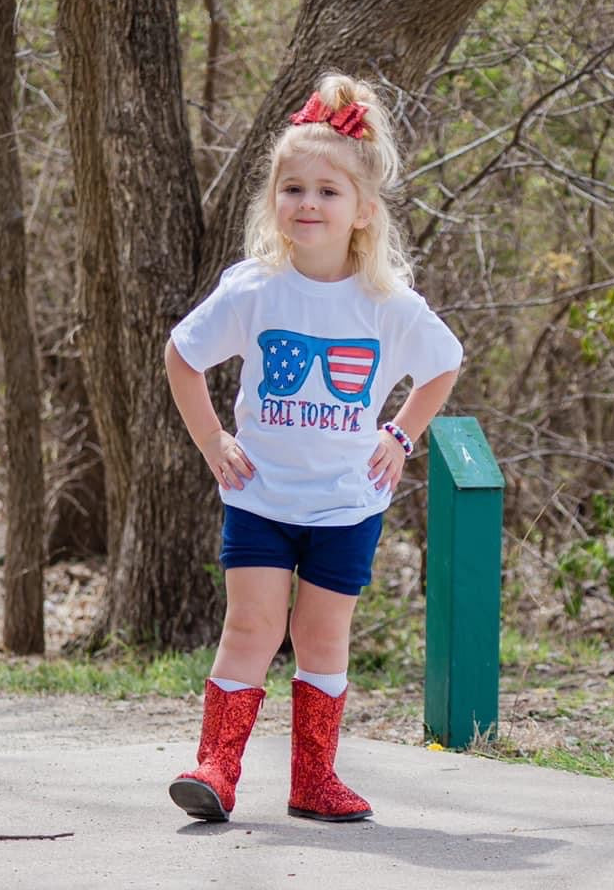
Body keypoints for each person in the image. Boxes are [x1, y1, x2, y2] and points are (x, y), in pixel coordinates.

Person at [164, 72, 463, 824]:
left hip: (346, 502)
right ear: (274, 200)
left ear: (363, 210)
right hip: (261, 495)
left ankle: (314, 780)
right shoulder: (254, 289)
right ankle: (217, 769)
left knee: (322, 635)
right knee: (252, 626)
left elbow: (443, 365)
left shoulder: (388, 304)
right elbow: (182, 355)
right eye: (293, 188)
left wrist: (400, 434)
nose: (308, 203)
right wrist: (211, 439)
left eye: (328, 192)